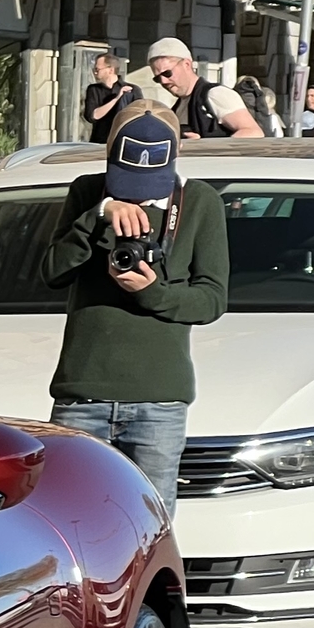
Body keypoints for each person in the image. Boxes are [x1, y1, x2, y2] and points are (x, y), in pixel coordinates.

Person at [40, 104, 228, 510]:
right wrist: (98, 215)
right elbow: (53, 272)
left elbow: (212, 300)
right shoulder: (87, 192)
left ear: (176, 154)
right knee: (70, 518)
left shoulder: (199, 201)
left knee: (150, 527)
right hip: (82, 396)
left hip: (159, 401)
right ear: (109, 152)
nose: (138, 194)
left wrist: (152, 292)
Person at [146, 37, 261, 139]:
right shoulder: (178, 107)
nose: (163, 81)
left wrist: (204, 146)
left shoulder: (216, 94)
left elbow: (253, 132)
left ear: (186, 64)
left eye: (167, 73)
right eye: (157, 78)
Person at [83, 51, 138, 145]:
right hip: (100, 142)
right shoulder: (93, 89)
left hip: (124, 142)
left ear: (111, 70)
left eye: (97, 69)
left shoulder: (132, 90)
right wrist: (116, 99)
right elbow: (92, 116)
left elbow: (139, 117)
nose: (95, 72)